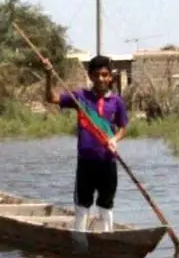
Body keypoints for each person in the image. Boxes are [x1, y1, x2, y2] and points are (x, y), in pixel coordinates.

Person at [47, 55, 128, 234]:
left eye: (104, 74)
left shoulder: (116, 102)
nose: (100, 78)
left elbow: (123, 129)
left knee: (106, 204)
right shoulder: (80, 98)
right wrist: (49, 75)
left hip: (108, 161)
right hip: (86, 162)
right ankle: (80, 240)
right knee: (82, 204)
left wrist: (114, 140)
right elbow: (52, 98)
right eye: (97, 74)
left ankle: (108, 237)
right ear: (90, 76)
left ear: (110, 78)